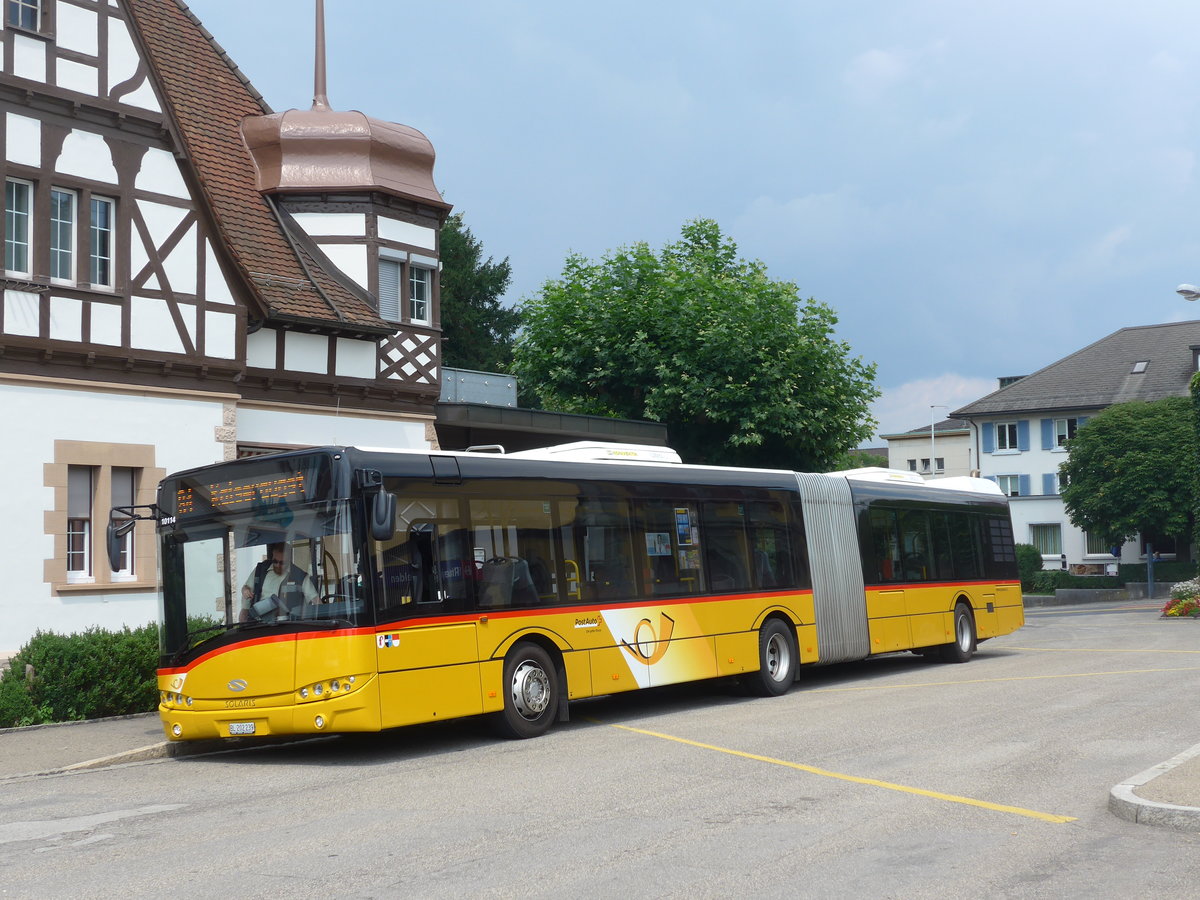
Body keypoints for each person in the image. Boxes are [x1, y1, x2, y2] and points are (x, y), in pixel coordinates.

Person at [240, 542, 318, 621]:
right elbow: (245, 591)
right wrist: (245, 590)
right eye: (275, 561)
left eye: (282, 562)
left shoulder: (300, 576)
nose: (278, 565)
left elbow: (316, 600)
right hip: (260, 625)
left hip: (289, 625)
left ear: (289, 560)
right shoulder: (260, 570)